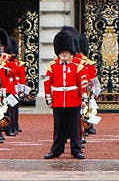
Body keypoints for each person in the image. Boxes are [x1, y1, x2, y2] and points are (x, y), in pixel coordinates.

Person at [43, 29, 87, 160]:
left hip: (73, 100)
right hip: (58, 100)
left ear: (71, 52)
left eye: (66, 52)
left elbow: (82, 84)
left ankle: (76, 150)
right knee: (59, 128)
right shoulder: (52, 67)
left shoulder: (77, 67)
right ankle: (56, 150)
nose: (64, 54)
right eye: (62, 52)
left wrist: (83, 98)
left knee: (74, 128)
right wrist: (48, 99)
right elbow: (47, 84)